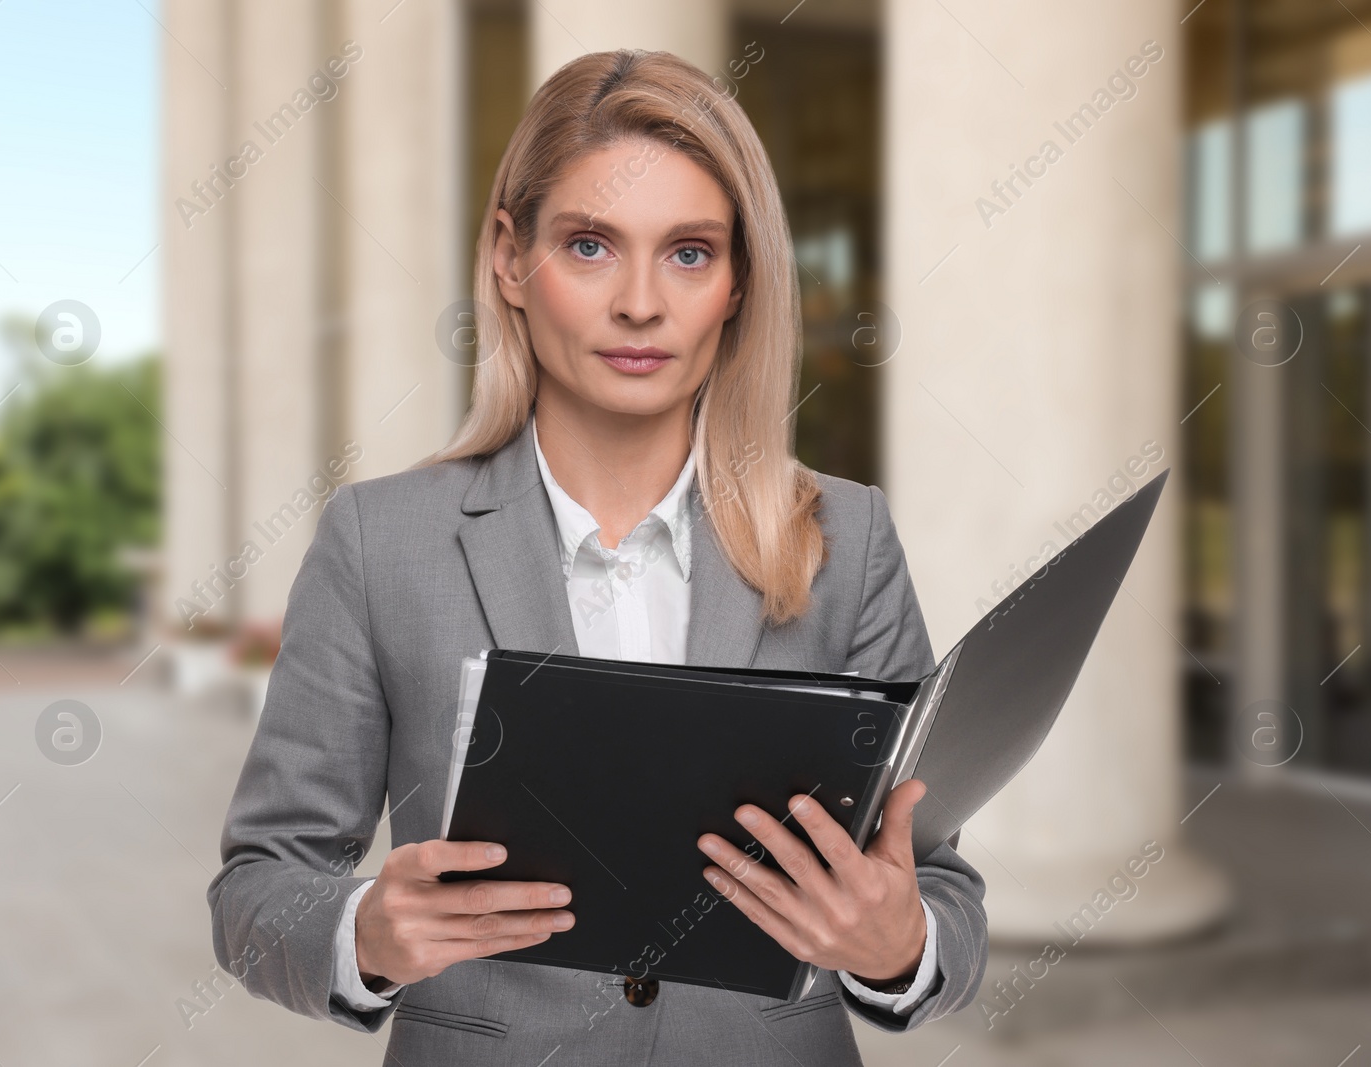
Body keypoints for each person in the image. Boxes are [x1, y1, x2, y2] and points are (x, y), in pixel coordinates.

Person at [207, 47, 986, 1066]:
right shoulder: (380, 541)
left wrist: (899, 945)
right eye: (588, 245)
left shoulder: (846, 539)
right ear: (509, 258)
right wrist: (361, 932)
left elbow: (941, 891)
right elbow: (258, 885)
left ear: (739, 280)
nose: (638, 303)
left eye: (689, 252)